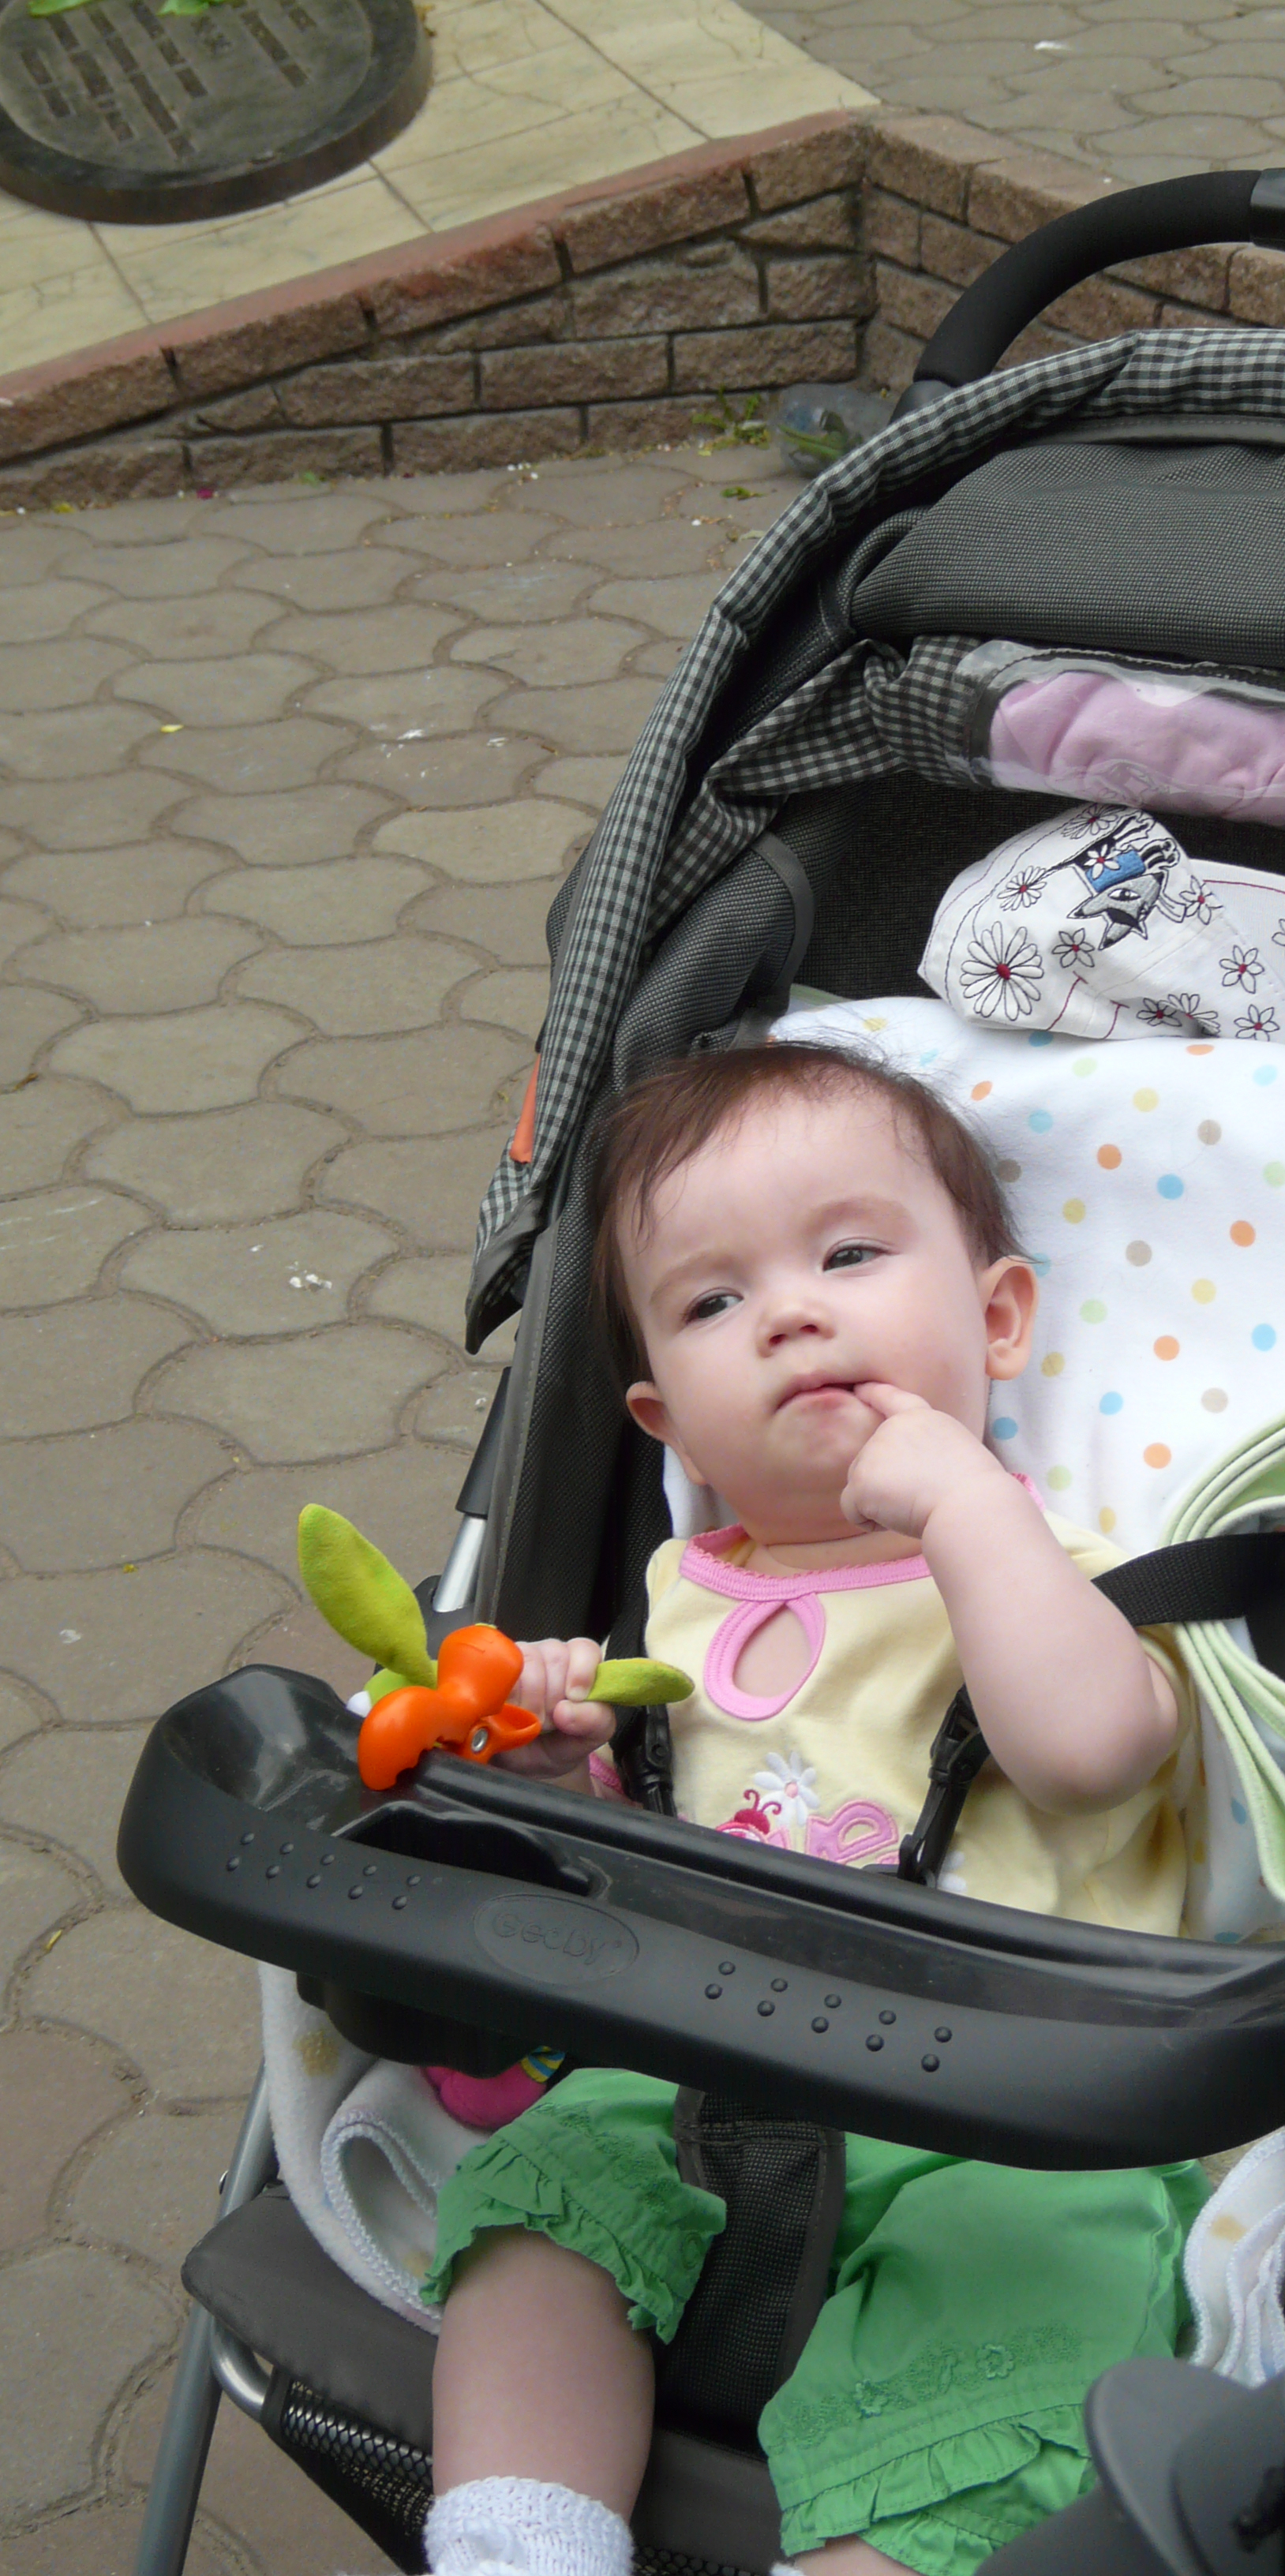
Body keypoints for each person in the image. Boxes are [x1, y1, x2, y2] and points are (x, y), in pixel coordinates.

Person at [422, 1041, 1205, 2576]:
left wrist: (963, 1503)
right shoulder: (671, 1599)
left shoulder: (1057, 1571)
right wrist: (561, 1777)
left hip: (1009, 2117)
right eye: (715, 1301)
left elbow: (1092, 1751)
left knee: (1033, 2295)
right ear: (664, 1419)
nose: (789, 1313)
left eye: (848, 1257)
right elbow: (654, 1856)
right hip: (700, 2073)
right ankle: (521, 2542)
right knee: (543, 2200)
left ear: (996, 1318)